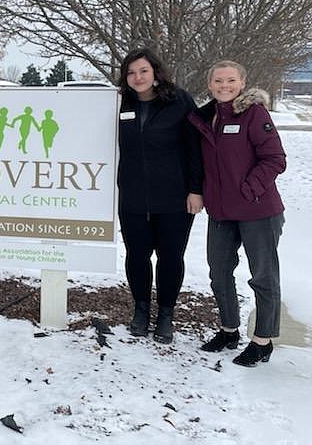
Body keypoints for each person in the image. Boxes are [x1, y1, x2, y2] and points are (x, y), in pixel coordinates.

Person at [188, 61, 286, 367]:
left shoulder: (254, 114)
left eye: (231, 80)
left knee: (263, 277)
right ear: (210, 85)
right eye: (218, 81)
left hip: (258, 211)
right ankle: (229, 330)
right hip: (221, 213)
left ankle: (262, 341)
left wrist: (248, 188)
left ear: (242, 83)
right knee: (218, 272)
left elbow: (275, 159)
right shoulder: (206, 119)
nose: (224, 86)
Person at [116, 48, 204, 344]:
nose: (137, 77)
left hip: (174, 198)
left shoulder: (178, 101)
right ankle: (141, 311)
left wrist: (196, 189)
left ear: (155, 72)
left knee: (170, 257)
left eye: (143, 71)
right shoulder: (120, 103)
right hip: (133, 196)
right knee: (137, 256)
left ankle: (166, 314)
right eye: (131, 72)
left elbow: (195, 149)